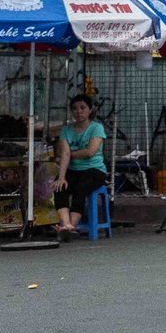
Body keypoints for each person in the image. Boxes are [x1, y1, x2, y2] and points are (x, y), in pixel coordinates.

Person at [50, 95, 107, 240]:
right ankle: (66, 225)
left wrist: (70, 155)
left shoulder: (96, 128)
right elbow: (64, 154)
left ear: (90, 110)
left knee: (81, 188)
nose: (78, 111)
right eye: (75, 109)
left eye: (82, 108)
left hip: (94, 170)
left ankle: (72, 225)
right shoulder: (66, 131)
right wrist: (62, 177)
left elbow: (90, 152)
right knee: (59, 186)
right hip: (73, 170)